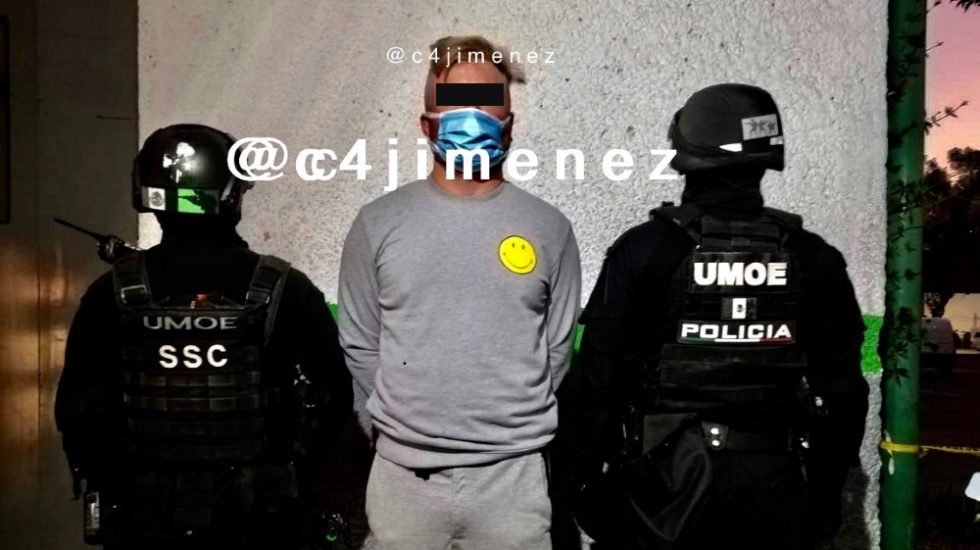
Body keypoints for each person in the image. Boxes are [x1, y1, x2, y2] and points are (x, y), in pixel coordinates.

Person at [570, 84, 869, 549]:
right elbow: (842, 392)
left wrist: (588, 480)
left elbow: (600, 382)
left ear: (687, 151)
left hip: (663, 494)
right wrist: (825, 493)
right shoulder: (813, 257)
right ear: (766, 156)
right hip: (777, 493)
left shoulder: (646, 249)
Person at [55, 124, 353, 550]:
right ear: (232, 196)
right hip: (263, 522)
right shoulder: (288, 290)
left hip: (145, 523)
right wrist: (294, 475)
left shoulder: (111, 293)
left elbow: (77, 413)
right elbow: (334, 399)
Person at [338, 35, 581, 550]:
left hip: (513, 481)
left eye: (486, 104)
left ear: (510, 124)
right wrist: (403, 426)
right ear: (426, 124)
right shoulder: (377, 223)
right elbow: (360, 342)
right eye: (453, 103)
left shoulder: (550, 228)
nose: (470, 118)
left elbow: (556, 350)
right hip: (403, 480)